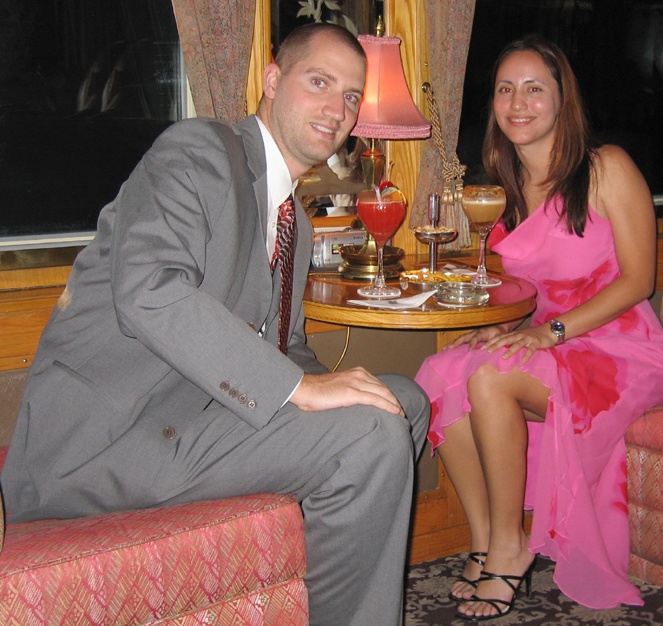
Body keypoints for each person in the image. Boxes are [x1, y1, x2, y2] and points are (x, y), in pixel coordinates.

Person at [0, 23, 429, 626]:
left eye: (352, 95)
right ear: (272, 80)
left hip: (198, 420)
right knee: (368, 436)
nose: (338, 109)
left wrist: (321, 385)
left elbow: (288, 347)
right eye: (319, 82)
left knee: (403, 401)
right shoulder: (200, 151)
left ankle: (333, 578)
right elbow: (148, 291)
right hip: (110, 440)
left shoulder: (296, 222)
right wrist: (301, 390)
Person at [414, 34, 663, 620]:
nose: (518, 103)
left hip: (621, 348)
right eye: (505, 89)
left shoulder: (606, 169)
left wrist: (548, 333)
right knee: (440, 370)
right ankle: (485, 539)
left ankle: (512, 547)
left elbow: (639, 281)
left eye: (534, 88)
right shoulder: (505, 185)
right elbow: (527, 288)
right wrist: (503, 326)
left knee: (491, 378)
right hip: (554, 338)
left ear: (563, 100)